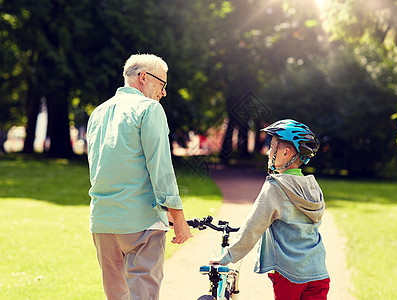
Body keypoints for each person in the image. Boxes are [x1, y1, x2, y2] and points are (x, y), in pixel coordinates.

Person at [87, 53, 193, 300]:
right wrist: (177, 216)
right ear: (143, 77)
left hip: (102, 222)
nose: (163, 92)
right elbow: (161, 167)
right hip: (141, 224)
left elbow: (99, 167)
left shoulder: (98, 113)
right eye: (162, 84)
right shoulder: (149, 109)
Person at [210, 119, 330, 300]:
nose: (268, 152)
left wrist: (228, 256)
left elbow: (254, 226)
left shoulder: (276, 187)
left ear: (286, 152)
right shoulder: (313, 186)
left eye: (272, 147)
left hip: (290, 274)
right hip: (318, 272)